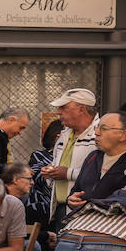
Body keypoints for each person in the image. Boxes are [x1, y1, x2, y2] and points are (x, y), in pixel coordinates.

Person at [41, 88, 99, 228]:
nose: (58, 112)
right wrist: (50, 171)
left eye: (64, 107)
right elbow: (59, 162)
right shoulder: (65, 134)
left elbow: (105, 171)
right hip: (61, 207)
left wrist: (67, 173)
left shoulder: (101, 133)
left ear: (81, 109)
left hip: (88, 211)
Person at [66, 112, 126, 210]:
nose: (96, 133)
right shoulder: (93, 157)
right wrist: (71, 200)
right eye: (97, 127)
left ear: (123, 135)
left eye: (103, 129)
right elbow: (76, 190)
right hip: (87, 218)